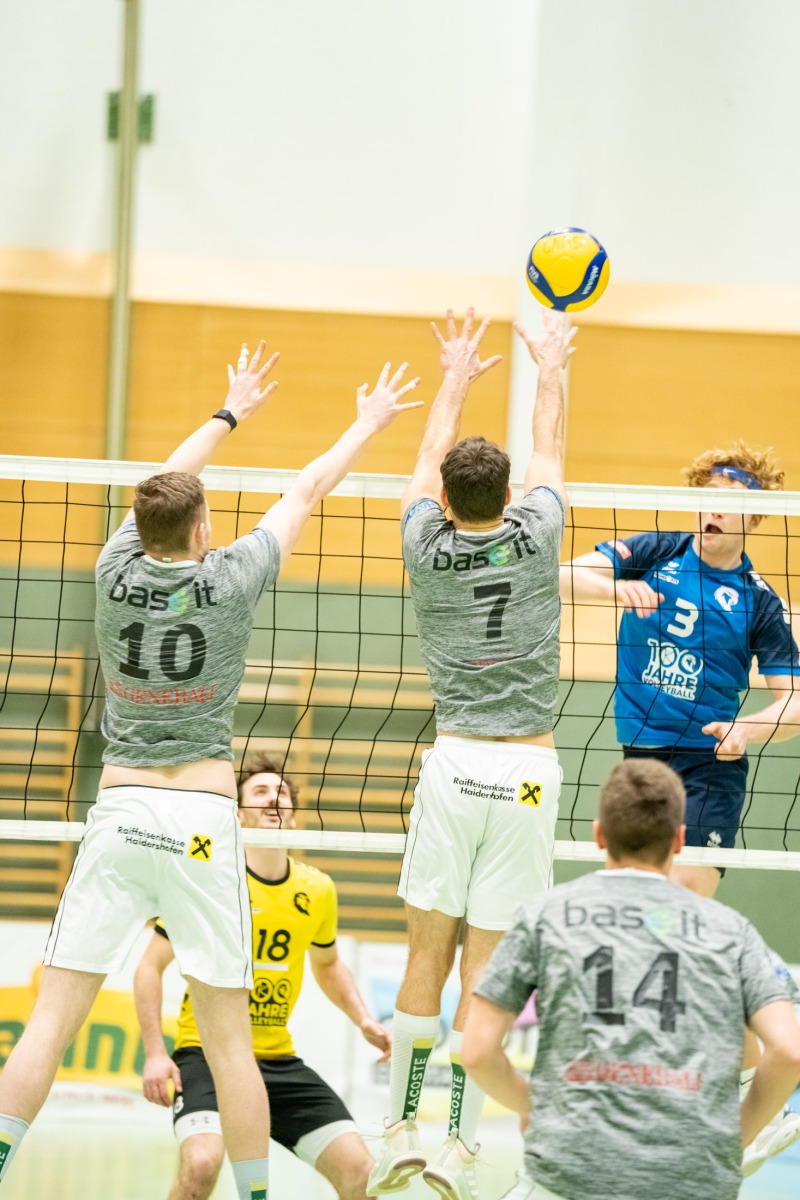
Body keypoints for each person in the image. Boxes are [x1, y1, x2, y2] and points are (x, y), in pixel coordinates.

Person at [0, 342, 421, 1200]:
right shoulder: (232, 577)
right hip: (198, 820)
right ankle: (257, 1195)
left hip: (120, 813)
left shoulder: (112, 569)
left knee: (49, 1023)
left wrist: (227, 413)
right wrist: (367, 423)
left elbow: (163, 481)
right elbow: (307, 489)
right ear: (202, 532)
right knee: (231, 1042)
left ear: (143, 526)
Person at [368, 309, 575, 1199]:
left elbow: (425, 458)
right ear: (508, 496)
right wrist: (550, 363)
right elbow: (550, 447)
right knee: (483, 968)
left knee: (426, 955)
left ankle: (398, 1132)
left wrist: (454, 372)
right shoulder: (540, 529)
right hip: (527, 771)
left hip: (455, 766)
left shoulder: (425, 543)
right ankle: (459, 1143)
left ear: (448, 503)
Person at [559, 441, 800, 1170]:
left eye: (730, 503)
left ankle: (743, 1090)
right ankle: (739, 1067)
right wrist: (616, 592)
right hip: (640, 768)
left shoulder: (760, 601)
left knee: (683, 921)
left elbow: (794, 698)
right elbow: (563, 574)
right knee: (646, 934)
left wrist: (749, 729)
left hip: (709, 770)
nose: (712, 511)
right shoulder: (655, 551)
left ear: (755, 519)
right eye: (707, 497)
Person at [461, 757, 800, 1200]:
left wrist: (535, 1108)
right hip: (693, 1179)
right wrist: (736, 1136)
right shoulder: (732, 932)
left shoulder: (543, 917)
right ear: (680, 840)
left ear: (599, 834)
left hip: (568, 1172)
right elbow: (789, 1052)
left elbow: (476, 1051)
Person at [134, 753, 391, 1200]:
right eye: (260, 791)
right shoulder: (208, 881)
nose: (274, 798)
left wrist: (364, 1019)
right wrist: (156, 1053)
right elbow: (149, 968)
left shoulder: (317, 889)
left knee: (363, 1174)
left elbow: (328, 964)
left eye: (282, 792)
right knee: (201, 1164)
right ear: (237, 813)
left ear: (293, 813)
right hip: (206, 1056)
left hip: (277, 1062)